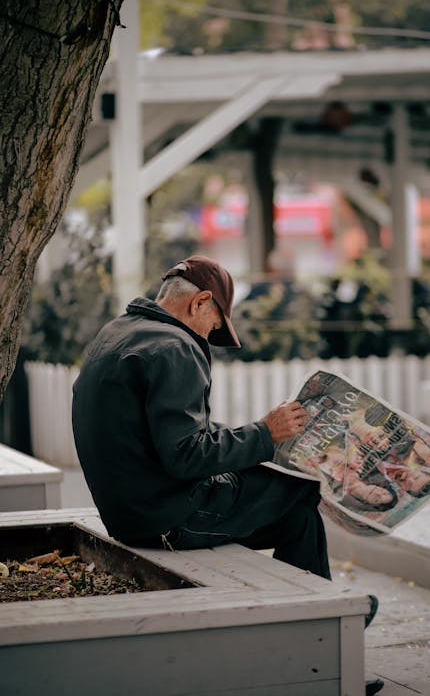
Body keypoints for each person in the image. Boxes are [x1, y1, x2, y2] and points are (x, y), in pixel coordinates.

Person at [72, 255, 383, 696]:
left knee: (289, 509)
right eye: (215, 324)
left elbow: (166, 437)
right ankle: (323, 637)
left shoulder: (118, 332)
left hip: (131, 511)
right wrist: (265, 434)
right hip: (166, 518)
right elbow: (186, 456)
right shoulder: (175, 347)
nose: (211, 335)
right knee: (298, 497)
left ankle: (313, 630)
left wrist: (258, 436)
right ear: (200, 302)